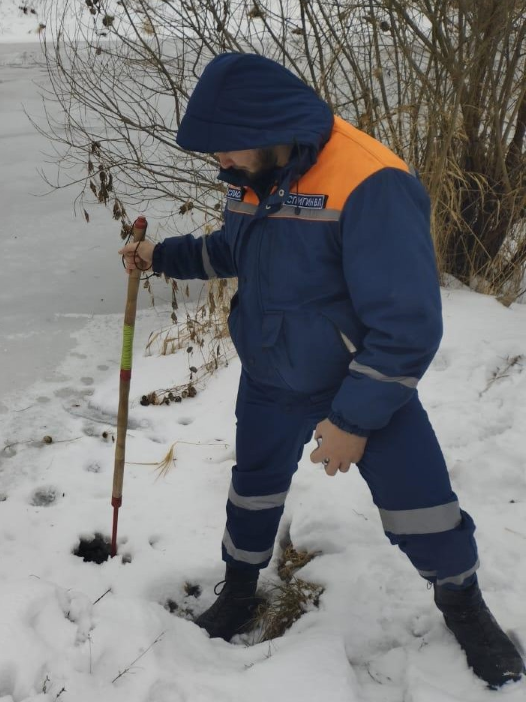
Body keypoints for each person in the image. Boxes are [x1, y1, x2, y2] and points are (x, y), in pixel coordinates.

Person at [118, 52, 523, 689]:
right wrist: (159, 255)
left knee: (424, 510)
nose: (217, 164)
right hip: (271, 376)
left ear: (268, 127)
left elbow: (407, 325)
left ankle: (464, 605)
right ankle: (241, 588)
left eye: (225, 150)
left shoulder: (371, 182)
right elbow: (236, 247)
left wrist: (353, 419)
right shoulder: (257, 170)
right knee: (251, 493)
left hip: (361, 383)